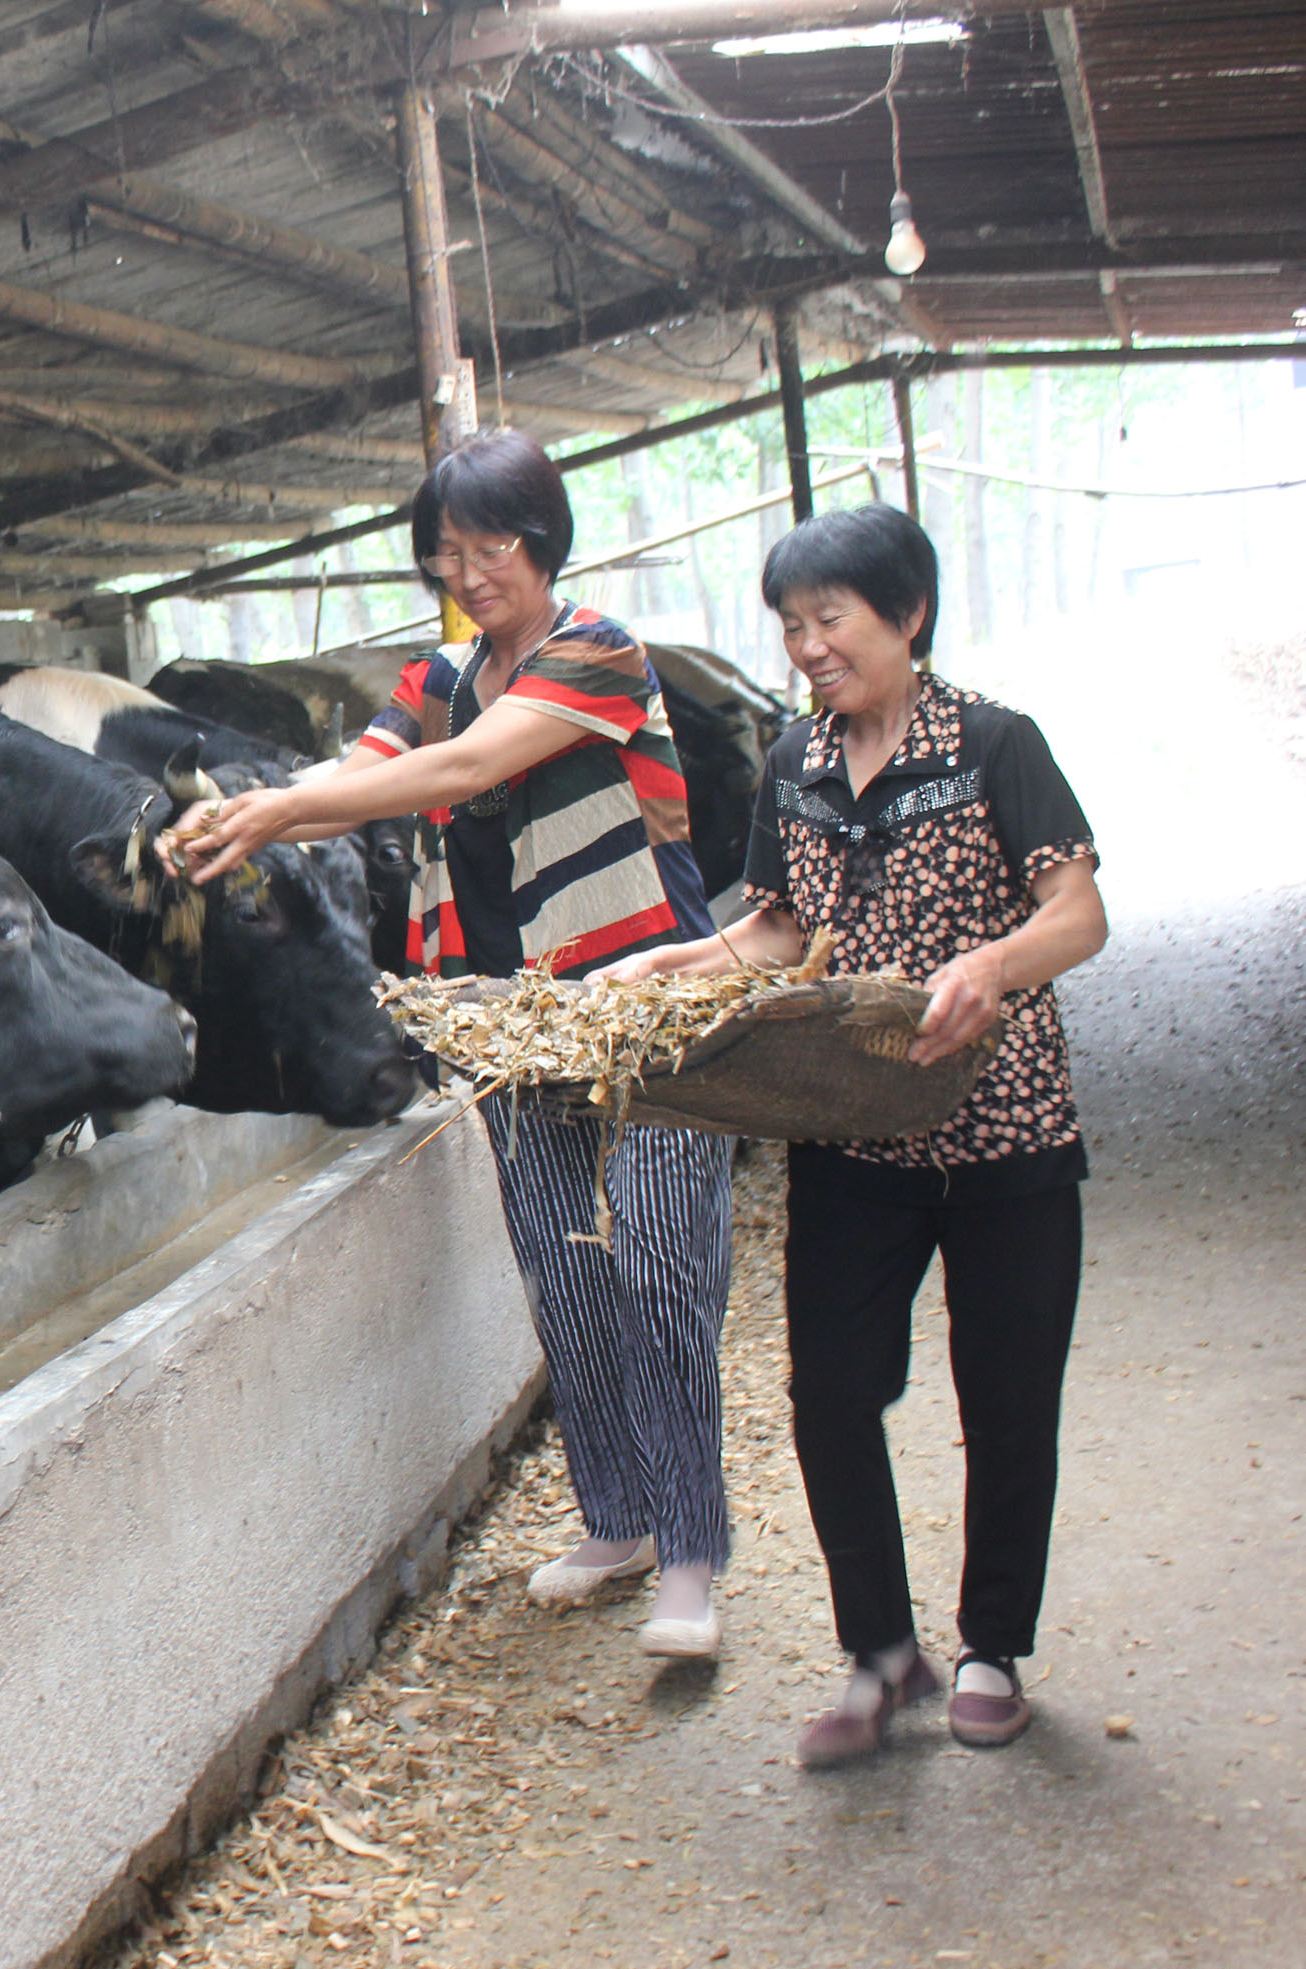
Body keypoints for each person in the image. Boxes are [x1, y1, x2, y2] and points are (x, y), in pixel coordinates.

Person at [166, 429, 735, 1658]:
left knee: (656, 1257)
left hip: (647, 997)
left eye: (493, 547)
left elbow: (463, 767)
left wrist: (277, 809)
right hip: (506, 1012)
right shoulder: (435, 677)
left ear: (544, 541)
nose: (471, 574)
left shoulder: (597, 650)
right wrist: (239, 815)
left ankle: (691, 1554)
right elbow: (362, 768)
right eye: (447, 554)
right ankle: (619, 1519)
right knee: (558, 1259)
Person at [602, 503, 1106, 1764]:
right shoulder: (794, 763)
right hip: (851, 1141)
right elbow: (778, 931)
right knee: (829, 1394)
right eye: (790, 625)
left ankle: (990, 1646)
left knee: (1007, 1402)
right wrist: (666, 966)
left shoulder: (991, 744)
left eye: (830, 618)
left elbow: (1077, 911)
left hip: (1006, 1133)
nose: (808, 647)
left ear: (907, 614)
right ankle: (880, 1653)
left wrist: (991, 966)